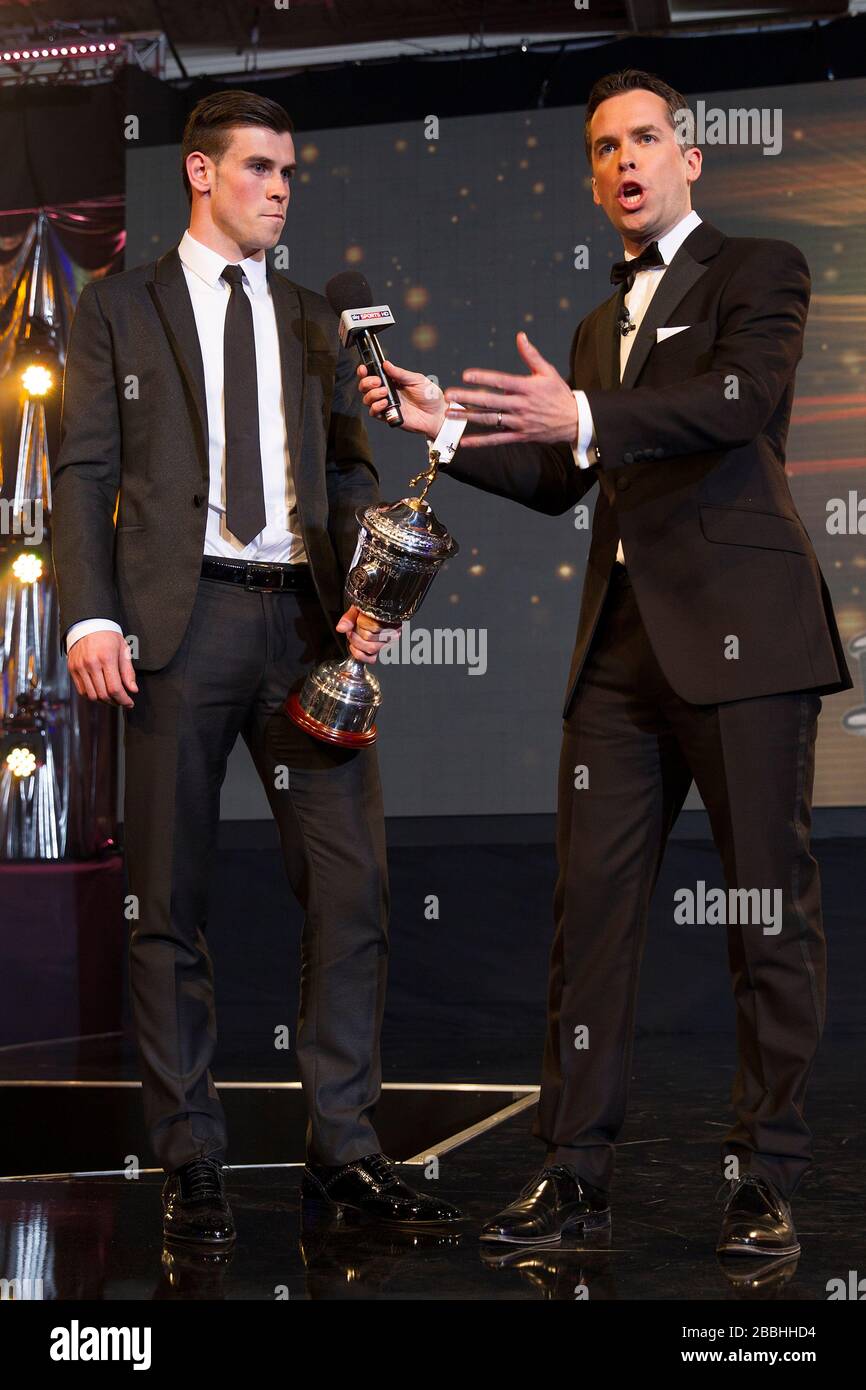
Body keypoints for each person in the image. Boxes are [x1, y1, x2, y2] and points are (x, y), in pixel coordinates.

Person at [357, 68, 852, 1257]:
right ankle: (573, 1179)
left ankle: (765, 1177)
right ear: (591, 179)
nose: (622, 162)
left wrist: (581, 413)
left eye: (642, 140)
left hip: (745, 639)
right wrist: (450, 428)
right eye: (600, 149)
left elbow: (733, 404)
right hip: (619, 654)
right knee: (589, 920)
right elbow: (564, 475)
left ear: (689, 156)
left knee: (763, 912)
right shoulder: (592, 325)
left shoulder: (759, 269)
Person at [51, 89, 463, 1247]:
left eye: (289, 172)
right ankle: (190, 1160)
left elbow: (341, 476)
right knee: (167, 904)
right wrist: (88, 616)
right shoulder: (117, 307)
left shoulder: (312, 316)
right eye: (260, 168)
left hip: (301, 626)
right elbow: (84, 471)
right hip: (177, 631)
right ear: (197, 172)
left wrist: (366, 594)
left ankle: (343, 1150)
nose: (280, 188)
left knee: (352, 889)